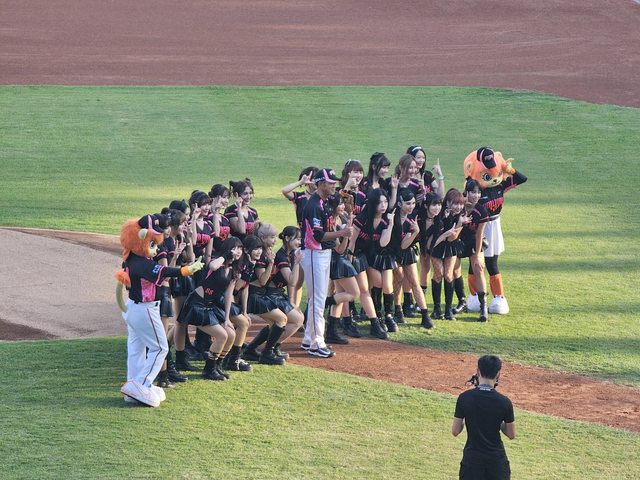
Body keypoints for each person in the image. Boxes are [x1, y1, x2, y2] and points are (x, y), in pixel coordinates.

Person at [300, 168, 353, 358]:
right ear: (321, 184)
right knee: (318, 299)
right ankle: (317, 343)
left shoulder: (324, 201)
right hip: (314, 254)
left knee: (317, 298)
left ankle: (308, 338)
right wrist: (342, 233)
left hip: (322, 254)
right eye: (331, 183)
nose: (334, 185)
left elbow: (341, 197)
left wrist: (348, 187)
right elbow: (318, 235)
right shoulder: (314, 205)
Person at [452, 355, 516, 480]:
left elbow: (455, 431)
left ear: (478, 371)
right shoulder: (504, 402)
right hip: (496, 463)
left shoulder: (465, 398)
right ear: (498, 374)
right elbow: (511, 434)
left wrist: (468, 417)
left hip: (472, 462)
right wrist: (498, 421)